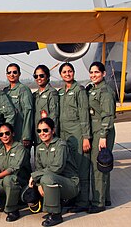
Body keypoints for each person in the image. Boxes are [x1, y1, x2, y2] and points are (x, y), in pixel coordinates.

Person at [29, 118, 79, 226]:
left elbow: (58, 167)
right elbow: (39, 168)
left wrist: (35, 176)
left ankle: (56, 215)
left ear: (53, 130)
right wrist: (38, 184)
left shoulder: (61, 145)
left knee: (47, 178)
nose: (42, 133)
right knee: (43, 179)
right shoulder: (39, 148)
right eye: (39, 131)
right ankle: (54, 208)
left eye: (45, 130)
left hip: (70, 184)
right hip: (55, 182)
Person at [57, 62, 91, 213]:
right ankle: (73, 197)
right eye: (64, 72)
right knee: (70, 168)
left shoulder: (79, 90)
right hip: (65, 135)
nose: (67, 74)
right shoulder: (61, 92)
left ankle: (83, 201)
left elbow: (84, 115)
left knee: (82, 167)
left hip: (77, 133)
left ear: (73, 73)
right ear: (61, 75)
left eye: (70, 71)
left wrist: (85, 137)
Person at [0, 123, 31, 222]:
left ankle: (12, 210)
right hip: (4, 183)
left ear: (13, 134)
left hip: (20, 182)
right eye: (1, 134)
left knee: (9, 179)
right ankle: (4, 202)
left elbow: (14, 168)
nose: (4, 136)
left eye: (7, 133)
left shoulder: (20, 148)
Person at [86, 62, 116, 213]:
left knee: (98, 166)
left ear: (103, 74)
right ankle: (106, 197)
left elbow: (108, 115)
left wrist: (103, 136)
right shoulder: (93, 89)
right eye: (91, 72)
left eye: (96, 72)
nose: (93, 75)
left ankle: (99, 203)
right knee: (104, 165)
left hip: (102, 131)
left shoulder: (105, 91)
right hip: (96, 130)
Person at [3, 63, 33, 148]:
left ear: (19, 74)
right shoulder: (5, 91)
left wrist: (26, 136)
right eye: (9, 73)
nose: (12, 75)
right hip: (8, 134)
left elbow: (28, 113)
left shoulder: (24, 90)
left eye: (14, 72)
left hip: (20, 133)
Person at [33, 64, 59, 145]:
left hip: (48, 134)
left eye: (41, 76)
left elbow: (54, 115)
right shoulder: (35, 95)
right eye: (36, 76)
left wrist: (51, 133)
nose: (38, 78)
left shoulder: (52, 93)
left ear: (47, 77)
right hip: (38, 134)